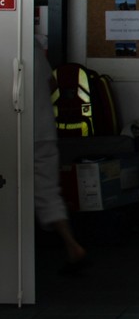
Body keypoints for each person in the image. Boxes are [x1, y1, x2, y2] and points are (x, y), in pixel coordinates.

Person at [33, 39, 88, 272]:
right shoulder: (33, 48)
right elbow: (53, 84)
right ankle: (71, 244)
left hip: (19, 132)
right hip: (44, 130)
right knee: (48, 191)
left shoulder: (11, 46)